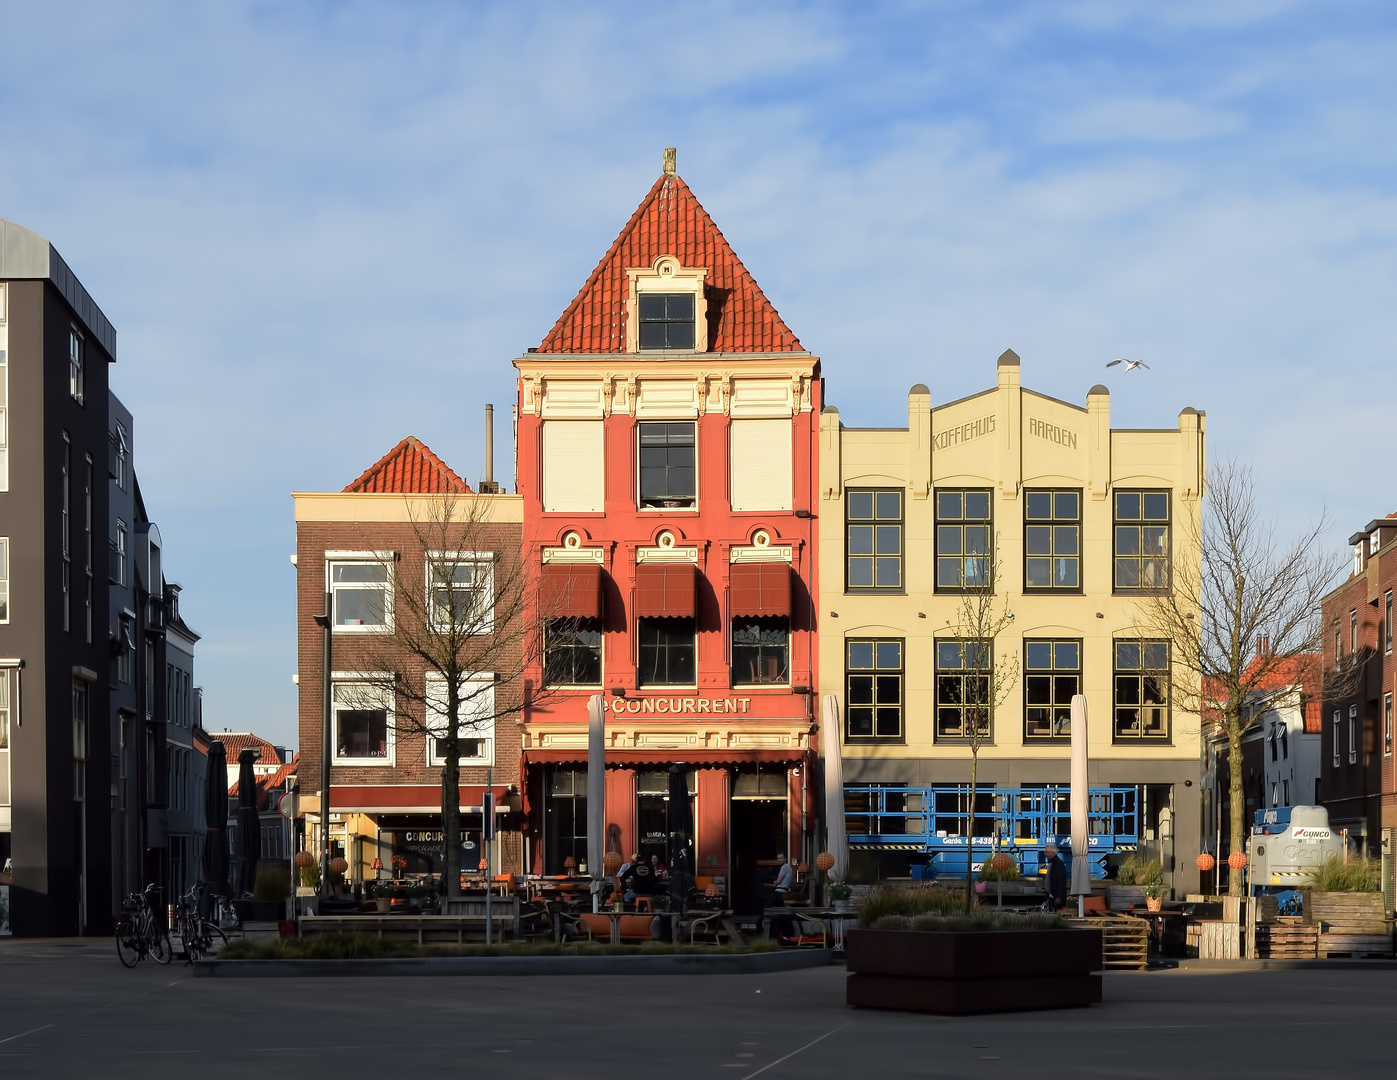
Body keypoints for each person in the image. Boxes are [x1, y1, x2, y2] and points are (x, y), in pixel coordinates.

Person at [1043, 844, 1068, 910]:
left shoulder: (1058, 864)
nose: (1045, 854)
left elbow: (1061, 881)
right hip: (1052, 896)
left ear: (1052, 853)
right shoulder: (1052, 863)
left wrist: (1059, 897)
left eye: (1046, 852)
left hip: (1056, 896)